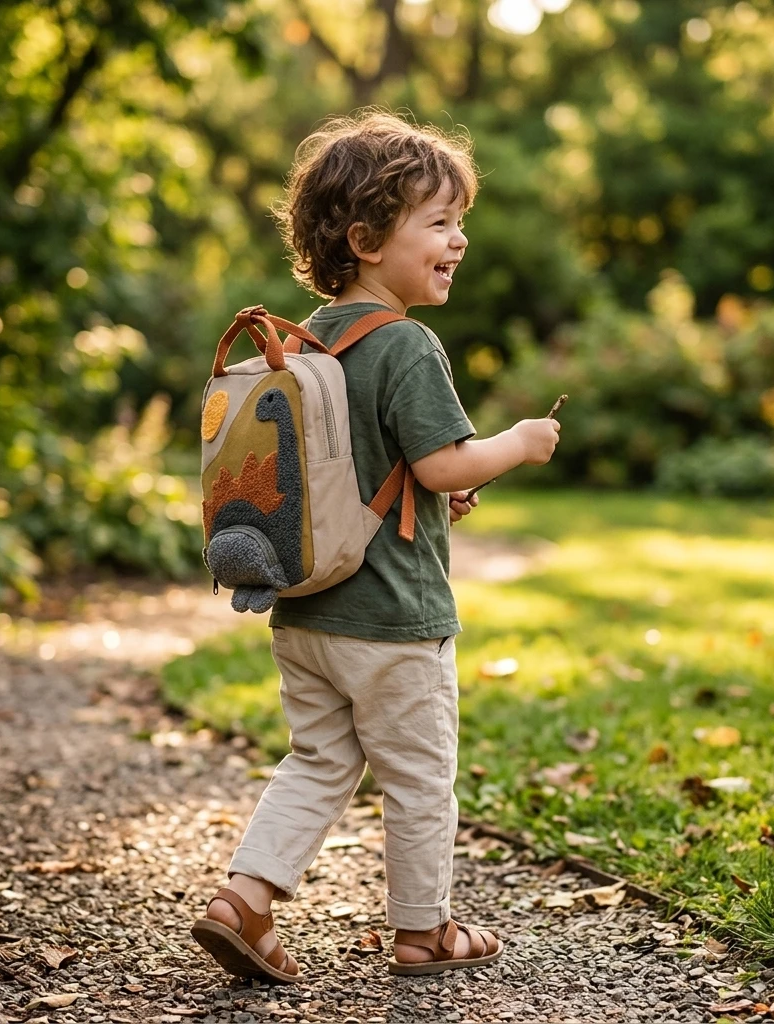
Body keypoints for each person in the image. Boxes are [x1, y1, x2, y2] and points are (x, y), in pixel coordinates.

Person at [191, 109, 560, 982]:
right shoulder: (405, 344)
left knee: (319, 759)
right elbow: (438, 463)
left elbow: (372, 469)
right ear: (364, 239)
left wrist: (434, 485)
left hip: (306, 608)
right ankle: (425, 931)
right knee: (421, 778)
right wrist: (515, 444)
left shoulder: (309, 340)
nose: (458, 239)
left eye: (458, 221)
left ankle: (243, 901)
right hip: (393, 621)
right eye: (439, 222)